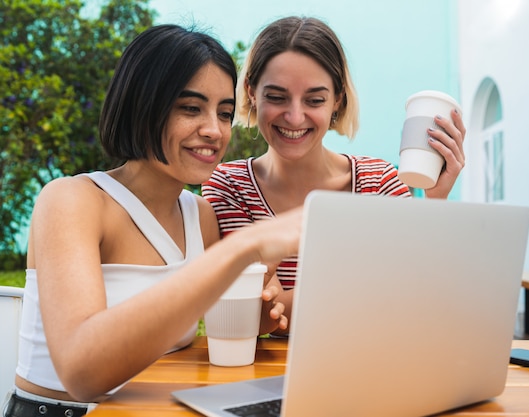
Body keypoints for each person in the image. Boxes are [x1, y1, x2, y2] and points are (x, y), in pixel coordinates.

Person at [3, 24, 302, 417]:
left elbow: (226, 328)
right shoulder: (72, 200)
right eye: (190, 108)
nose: (214, 130)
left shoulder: (201, 216)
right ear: (142, 104)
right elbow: (82, 372)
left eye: (225, 113)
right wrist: (241, 248)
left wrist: (261, 310)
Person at [202, 16, 466, 335]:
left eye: (314, 100)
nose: (295, 116)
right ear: (252, 93)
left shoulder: (378, 180)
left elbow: (419, 296)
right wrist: (374, 286)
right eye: (277, 96)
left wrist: (436, 202)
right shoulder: (230, 185)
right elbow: (256, 315)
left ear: (337, 99)